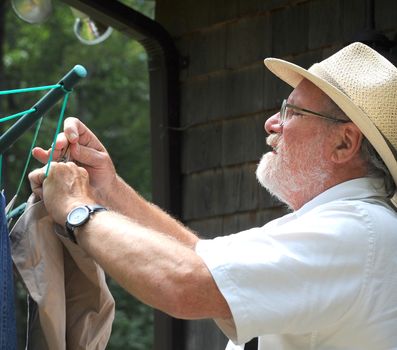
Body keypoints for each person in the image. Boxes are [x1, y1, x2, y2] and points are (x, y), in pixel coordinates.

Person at [29, 42, 397, 349]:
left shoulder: (358, 231)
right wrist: (106, 188)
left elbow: (184, 282)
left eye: (291, 110)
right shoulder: (354, 228)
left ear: (344, 142)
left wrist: (78, 208)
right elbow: (199, 258)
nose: (272, 123)